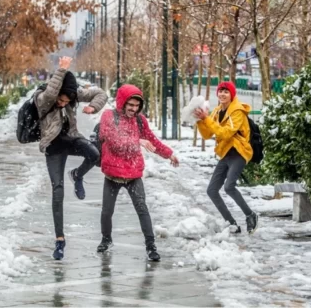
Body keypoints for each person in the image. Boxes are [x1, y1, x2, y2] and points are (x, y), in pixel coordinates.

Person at [34, 56, 108, 260]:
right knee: (58, 191)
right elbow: (50, 94)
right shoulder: (43, 97)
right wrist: (61, 70)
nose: (63, 103)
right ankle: (59, 239)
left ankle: (77, 175)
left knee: (94, 154)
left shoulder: (73, 95)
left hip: (71, 140)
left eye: (67, 101)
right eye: (62, 99)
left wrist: (93, 107)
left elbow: (101, 93)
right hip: (53, 147)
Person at [97, 84, 179, 261]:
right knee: (107, 211)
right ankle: (106, 239)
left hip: (133, 174)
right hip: (112, 174)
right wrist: (137, 141)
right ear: (122, 102)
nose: (134, 109)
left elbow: (152, 141)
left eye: (137, 106)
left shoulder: (140, 120)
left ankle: (151, 246)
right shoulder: (108, 116)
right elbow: (113, 141)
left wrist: (169, 154)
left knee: (142, 209)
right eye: (130, 105)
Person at [194, 81, 258, 234]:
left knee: (229, 186)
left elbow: (225, 133)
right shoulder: (216, 111)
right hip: (225, 153)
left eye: (226, 92)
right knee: (212, 190)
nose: (222, 94)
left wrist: (207, 119)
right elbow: (208, 134)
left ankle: (251, 215)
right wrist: (200, 120)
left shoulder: (237, 112)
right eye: (220, 91)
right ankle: (231, 223)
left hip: (239, 152)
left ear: (232, 94)